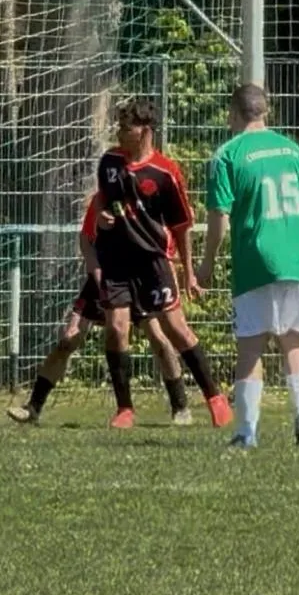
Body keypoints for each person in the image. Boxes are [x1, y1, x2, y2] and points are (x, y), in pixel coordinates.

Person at [197, 83, 299, 451]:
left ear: (234, 114)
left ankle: (247, 432)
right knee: (294, 344)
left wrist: (207, 263)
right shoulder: (292, 149)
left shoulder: (227, 154)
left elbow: (219, 217)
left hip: (255, 260)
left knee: (251, 348)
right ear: (265, 112)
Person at [94, 96, 231, 431]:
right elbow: (103, 201)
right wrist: (101, 215)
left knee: (175, 329)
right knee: (116, 329)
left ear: (145, 131)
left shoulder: (165, 173)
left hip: (153, 262)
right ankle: (125, 409)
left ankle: (214, 398)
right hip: (116, 260)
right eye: (119, 127)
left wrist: (188, 273)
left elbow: (182, 227)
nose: (119, 133)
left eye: (126, 128)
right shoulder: (109, 162)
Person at [7, 193, 193, 426]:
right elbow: (86, 240)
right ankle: (33, 407)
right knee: (68, 339)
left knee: (159, 339)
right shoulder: (103, 198)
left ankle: (180, 406)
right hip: (105, 279)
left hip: (139, 281)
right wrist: (97, 276)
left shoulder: (147, 198)